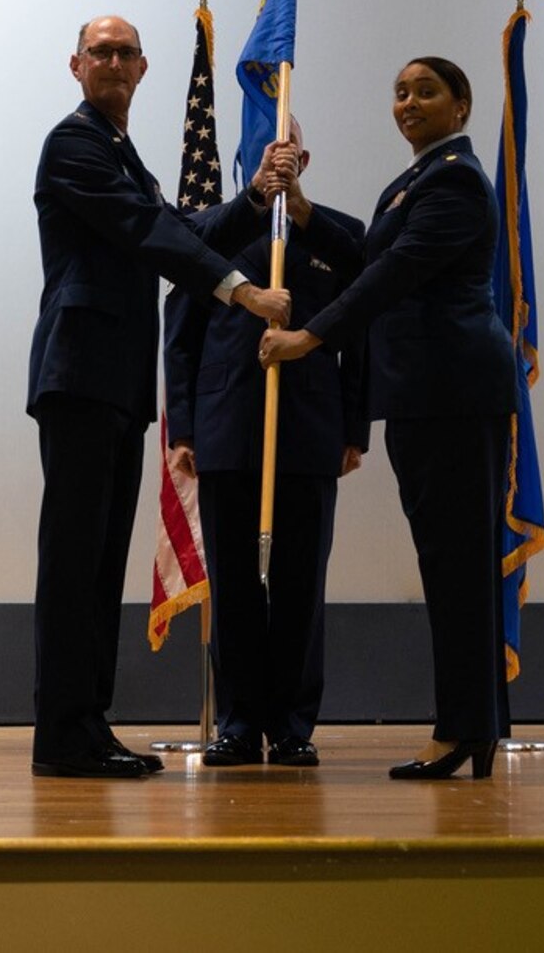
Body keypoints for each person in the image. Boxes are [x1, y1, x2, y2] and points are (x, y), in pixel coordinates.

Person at [28, 14, 290, 779]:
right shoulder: (74, 143)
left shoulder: (123, 157)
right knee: (75, 561)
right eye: (99, 51)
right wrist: (240, 289)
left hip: (113, 384)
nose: (112, 61)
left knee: (102, 560)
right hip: (78, 375)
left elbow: (181, 222)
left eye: (125, 52)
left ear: (144, 69)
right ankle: (63, 733)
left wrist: (255, 195)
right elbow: (149, 229)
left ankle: (86, 724)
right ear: (75, 64)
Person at [258, 57, 517, 780]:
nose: (407, 102)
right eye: (399, 91)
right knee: (447, 563)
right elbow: (373, 254)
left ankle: (464, 728)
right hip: (422, 399)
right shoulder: (412, 183)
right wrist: (303, 211)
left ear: (461, 106)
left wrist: (310, 337)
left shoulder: (457, 179)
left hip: (455, 395)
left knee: (458, 565)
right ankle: (474, 725)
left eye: (425, 90)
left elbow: (390, 275)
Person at [163, 121, 367, 769]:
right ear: (247, 158)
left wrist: (355, 428)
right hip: (226, 430)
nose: (276, 158)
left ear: (305, 157)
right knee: (235, 585)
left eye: (286, 149)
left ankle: (293, 725)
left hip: (309, 431)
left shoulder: (340, 235)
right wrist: (187, 428)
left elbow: (363, 330)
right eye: (263, 149)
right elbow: (182, 337)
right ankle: (239, 723)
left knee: (301, 584)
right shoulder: (213, 231)